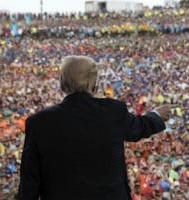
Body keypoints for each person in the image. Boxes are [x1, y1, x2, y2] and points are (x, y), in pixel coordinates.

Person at [18, 55, 170, 200]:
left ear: (61, 83)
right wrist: (156, 115)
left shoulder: (39, 123)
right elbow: (140, 127)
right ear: (95, 84)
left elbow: (29, 181)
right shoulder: (113, 111)